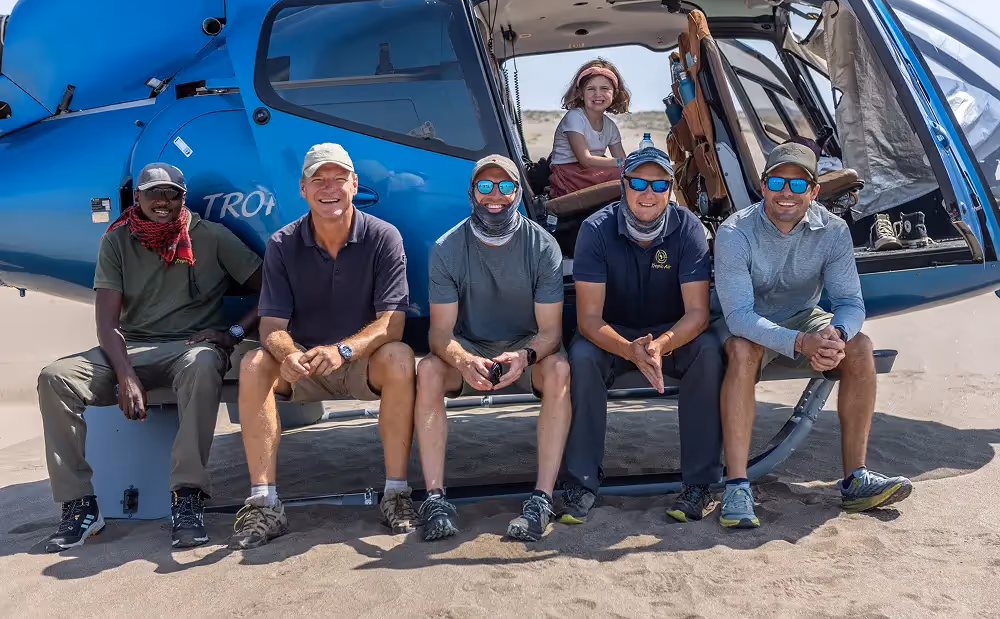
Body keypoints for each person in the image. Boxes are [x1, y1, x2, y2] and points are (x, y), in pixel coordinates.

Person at [37, 163, 263, 551]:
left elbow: (271, 288)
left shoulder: (212, 237)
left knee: (204, 362)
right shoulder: (117, 241)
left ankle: (186, 497)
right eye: (154, 193)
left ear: (183, 197)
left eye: (172, 193)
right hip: (133, 348)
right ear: (136, 197)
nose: (163, 201)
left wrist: (232, 334)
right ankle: (80, 505)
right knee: (56, 376)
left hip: (191, 348)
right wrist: (125, 375)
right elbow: (107, 323)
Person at [713, 142, 913, 529]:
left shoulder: (833, 231)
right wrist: (801, 343)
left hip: (805, 316)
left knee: (860, 346)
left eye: (798, 184)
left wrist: (835, 335)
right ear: (762, 185)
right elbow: (738, 316)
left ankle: (856, 479)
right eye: (776, 181)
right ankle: (736, 484)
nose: (786, 192)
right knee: (741, 353)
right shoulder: (735, 231)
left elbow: (851, 302)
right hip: (751, 322)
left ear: (814, 191)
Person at [229, 143, 417, 550]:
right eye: (318, 179)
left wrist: (344, 351)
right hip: (305, 365)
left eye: (338, 178)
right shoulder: (282, 243)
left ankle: (397, 493)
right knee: (253, 364)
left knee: (401, 358)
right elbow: (272, 326)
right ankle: (264, 503)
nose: (328, 188)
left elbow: (393, 323)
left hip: (360, 363)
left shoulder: (384, 237)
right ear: (302, 188)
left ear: (354, 184)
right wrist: (288, 354)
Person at [560, 147, 724, 524]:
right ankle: (581, 484)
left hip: (671, 335)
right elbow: (587, 318)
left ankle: (698, 483)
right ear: (623, 185)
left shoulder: (688, 228)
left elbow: (698, 314)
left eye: (658, 184)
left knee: (710, 352)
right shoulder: (596, 229)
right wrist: (630, 350)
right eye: (637, 182)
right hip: (611, 335)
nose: (647, 193)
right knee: (582, 358)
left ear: (670, 189)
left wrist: (660, 345)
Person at [415, 154, 571, 542]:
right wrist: (463, 359)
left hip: (525, 347)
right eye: (485, 186)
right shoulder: (447, 248)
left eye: (506, 186)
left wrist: (525, 357)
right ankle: (434, 497)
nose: (495, 195)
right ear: (472, 193)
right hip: (470, 347)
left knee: (559, 371)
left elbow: (551, 332)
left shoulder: (543, 246)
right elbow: (438, 334)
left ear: (519, 192)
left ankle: (542, 497)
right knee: (430, 370)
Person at [546, 58, 630, 199]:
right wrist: (620, 163)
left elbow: (622, 160)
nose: (598, 94)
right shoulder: (575, 118)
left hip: (591, 172)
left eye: (604, 88)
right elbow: (585, 160)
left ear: (614, 94)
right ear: (581, 94)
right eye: (591, 89)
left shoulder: (610, 126)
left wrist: (630, 163)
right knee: (621, 175)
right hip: (570, 175)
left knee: (631, 174)